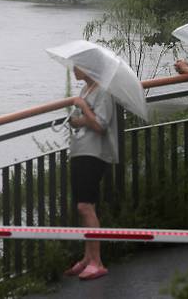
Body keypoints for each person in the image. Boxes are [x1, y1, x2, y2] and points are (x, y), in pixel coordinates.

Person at [64, 66, 118, 280]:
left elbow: (100, 125)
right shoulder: (85, 90)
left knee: (85, 206)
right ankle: (88, 257)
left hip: (94, 153)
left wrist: (84, 108)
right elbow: (79, 121)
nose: (73, 69)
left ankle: (97, 261)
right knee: (85, 207)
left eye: (77, 65)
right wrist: (82, 112)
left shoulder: (103, 91)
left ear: (89, 67)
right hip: (81, 151)